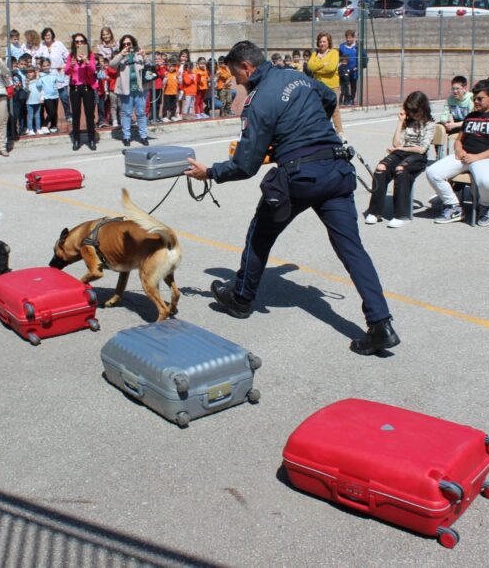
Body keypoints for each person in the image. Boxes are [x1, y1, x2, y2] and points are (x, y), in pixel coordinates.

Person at [183, 41, 399, 356]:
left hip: (301, 177)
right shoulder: (294, 76)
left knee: (261, 232)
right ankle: (381, 324)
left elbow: (245, 165)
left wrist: (211, 173)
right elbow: (330, 97)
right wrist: (310, 130)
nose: (236, 82)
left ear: (247, 67)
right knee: (352, 250)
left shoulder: (257, 102)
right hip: (337, 169)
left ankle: (241, 298)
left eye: (235, 75)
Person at [425, 80, 489, 227]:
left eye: (480, 99)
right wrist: (459, 149)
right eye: (474, 99)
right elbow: (459, 140)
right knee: (433, 172)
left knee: (488, 183)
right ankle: (454, 207)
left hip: (487, 158)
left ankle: (485, 206)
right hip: (464, 156)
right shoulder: (470, 117)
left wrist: (477, 157)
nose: (476, 102)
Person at [364, 91, 436, 228]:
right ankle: (375, 212)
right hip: (401, 152)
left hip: (418, 157)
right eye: (409, 109)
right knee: (381, 169)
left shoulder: (430, 123)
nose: (412, 113)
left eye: (414, 110)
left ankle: (401, 215)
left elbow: (422, 149)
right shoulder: (407, 121)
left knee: (401, 170)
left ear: (423, 108)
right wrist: (401, 121)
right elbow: (396, 143)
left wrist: (401, 149)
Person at [109, 34, 149, 146]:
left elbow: (149, 66)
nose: (127, 46)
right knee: (126, 113)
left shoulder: (139, 54)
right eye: (124, 44)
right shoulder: (120, 56)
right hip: (126, 90)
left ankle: (143, 136)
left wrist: (145, 57)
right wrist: (121, 54)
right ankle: (126, 137)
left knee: (141, 113)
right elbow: (112, 65)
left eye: (129, 43)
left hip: (140, 89)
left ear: (133, 44)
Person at [65, 32, 98, 151]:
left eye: (81, 41)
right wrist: (72, 65)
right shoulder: (71, 56)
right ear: (74, 43)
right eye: (77, 42)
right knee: (76, 115)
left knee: (90, 115)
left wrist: (86, 60)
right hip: (74, 88)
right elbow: (66, 72)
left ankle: (91, 140)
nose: (79, 44)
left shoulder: (90, 55)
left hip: (87, 87)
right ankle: (77, 140)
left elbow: (93, 70)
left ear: (85, 43)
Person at [307, 32, 344, 136]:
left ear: (329, 43)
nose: (322, 43)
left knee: (335, 109)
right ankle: (322, 130)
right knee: (319, 109)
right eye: (320, 41)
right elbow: (310, 67)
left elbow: (331, 68)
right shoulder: (314, 54)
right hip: (318, 86)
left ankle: (340, 132)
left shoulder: (334, 53)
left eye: (324, 41)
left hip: (332, 85)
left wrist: (317, 67)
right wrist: (323, 63)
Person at [38, 27, 70, 127]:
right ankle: (53, 124)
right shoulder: (41, 46)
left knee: (64, 97)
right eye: (46, 35)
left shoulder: (59, 44)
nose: (48, 36)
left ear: (52, 35)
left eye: (49, 34)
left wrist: (64, 66)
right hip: (47, 79)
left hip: (59, 76)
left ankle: (69, 115)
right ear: (43, 36)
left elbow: (68, 57)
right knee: (51, 101)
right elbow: (37, 59)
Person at [338, 30, 359, 105]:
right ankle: (343, 100)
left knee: (353, 86)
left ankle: (351, 99)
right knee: (344, 86)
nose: (348, 39)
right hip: (344, 71)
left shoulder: (356, 47)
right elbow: (339, 57)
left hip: (354, 70)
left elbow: (361, 57)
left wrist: (357, 67)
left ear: (353, 38)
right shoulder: (342, 46)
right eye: (347, 38)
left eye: (350, 38)